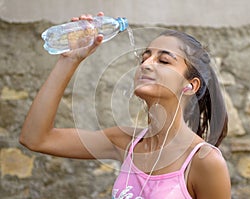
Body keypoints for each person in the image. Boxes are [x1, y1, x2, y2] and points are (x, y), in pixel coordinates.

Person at [20, 12, 231, 199]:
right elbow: (35, 139)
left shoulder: (204, 161)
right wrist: (69, 60)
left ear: (190, 85)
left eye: (164, 61)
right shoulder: (125, 142)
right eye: (144, 58)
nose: (146, 65)